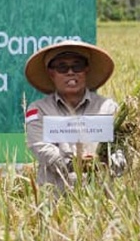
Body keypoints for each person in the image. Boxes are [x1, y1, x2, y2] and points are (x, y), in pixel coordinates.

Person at [23, 40, 121, 194]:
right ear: (51, 73)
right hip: (56, 201)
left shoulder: (108, 108)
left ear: (86, 70)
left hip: (101, 201)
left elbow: (120, 150)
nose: (70, 72)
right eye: (62, 67)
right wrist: (75, 163)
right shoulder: (38, 110)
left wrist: (107, 162)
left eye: (77, 66)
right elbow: (40, 147)